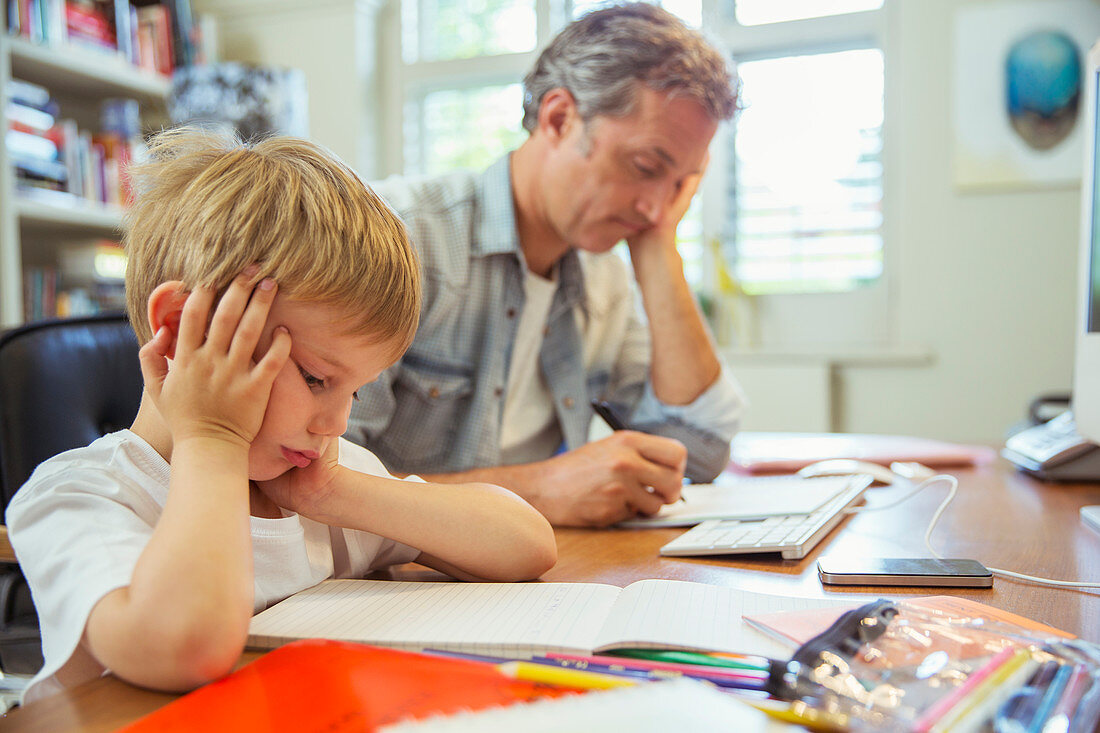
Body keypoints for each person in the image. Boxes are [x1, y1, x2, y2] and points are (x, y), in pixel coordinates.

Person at [6, 127, 556, 703]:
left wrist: (337, 495)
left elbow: (526, 544)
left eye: (356, 392)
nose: (336, 423)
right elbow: (186, 649)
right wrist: (213, 439)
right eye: (317, 378)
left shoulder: (311, 488)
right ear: (178, 330)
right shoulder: (80, 496)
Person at [347, 3, 746, 527]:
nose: (655, 206)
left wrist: (658, 246)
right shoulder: (394, 238)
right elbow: (314, 479)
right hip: (389, 589)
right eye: (646, 167)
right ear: (559, 119)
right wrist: (538, 491)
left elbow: (698, 448)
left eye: (679, 186)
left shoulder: (603, 275)